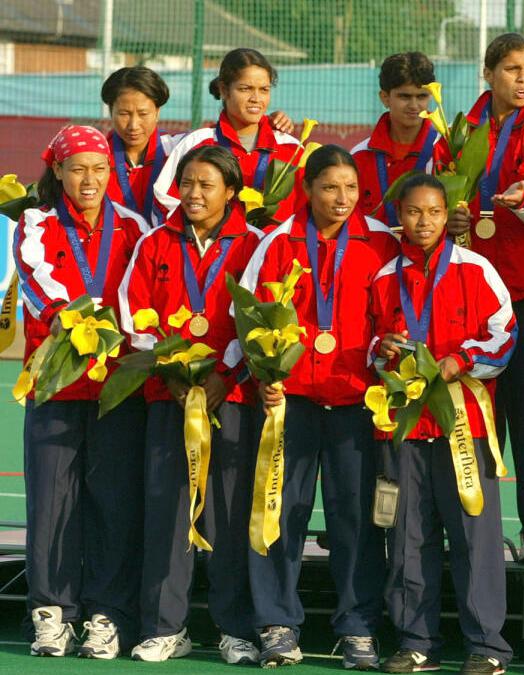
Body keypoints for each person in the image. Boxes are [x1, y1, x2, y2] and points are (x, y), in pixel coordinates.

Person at [238, 145, 399, 669]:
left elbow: (394, 316)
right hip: (293, 401)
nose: (342, 198)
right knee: (280, 513)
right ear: (307, 189)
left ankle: (358, 628)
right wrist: (267, 373)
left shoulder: (379, 242)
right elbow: (251, 316)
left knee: (356, 518)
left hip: (357, 402)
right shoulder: (278, 241)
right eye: (330, 187)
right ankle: (276, 623)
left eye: (351, 188)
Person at [117, 145, 264, 664]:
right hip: (169, 398)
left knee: (227, 512)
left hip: (231, 399)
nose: (195, 194)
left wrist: (226, 377)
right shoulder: (156, 242)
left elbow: (262, 322)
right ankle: (164, 627)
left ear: (231, 190)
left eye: (207, 185)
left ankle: (235, 628)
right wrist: (169, 369)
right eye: (187, 183)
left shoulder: (254, 244)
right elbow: (134, 312)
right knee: (167, 511)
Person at [369, 173, 516, 675]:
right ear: (401, 217)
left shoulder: (478, 269)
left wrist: (461, 359)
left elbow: (504, 336)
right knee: (408, 535)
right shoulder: (384, 277)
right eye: (414, 212)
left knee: (475, 534)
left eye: (434, 212)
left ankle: (487, 646)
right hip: (405, 426)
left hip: (462, 425)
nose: (424, 221)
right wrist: (381, 352)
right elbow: (370, 344)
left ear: (447, 213)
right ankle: (416, 641)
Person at [15, 125, 152, 658]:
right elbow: (37, 280)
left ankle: (106, 613)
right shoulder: (35, 222)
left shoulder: (136, 227)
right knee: (51, 504)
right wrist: (75, 319)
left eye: (99, 168)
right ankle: (51, 613)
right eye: (78, 169)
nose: (89, 179)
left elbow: (141, 292)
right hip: (57, 381)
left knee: (113, 502)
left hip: (117, 387)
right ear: (58, 171)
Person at [449, 32, 524, 563]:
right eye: (511, 70)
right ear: (488, 73)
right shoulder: (461, 127)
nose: (522, 81)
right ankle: (479, 526)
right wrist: (451, 211)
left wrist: (521, 197)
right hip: (472, 290)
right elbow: (443, 185)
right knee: (478, 413)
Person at [155, 48, 303, 227]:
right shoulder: (198, 144)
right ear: (224, 90)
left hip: (273, 253)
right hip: (212, 253)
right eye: (245, 89)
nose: (256, 98)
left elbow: (306, 212)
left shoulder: (291, 149)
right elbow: (164, 202)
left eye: (264, 90)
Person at [351, 52, 451, 230]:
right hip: (377, 254)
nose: (414, 105)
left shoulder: (446, 150)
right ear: (385, 98)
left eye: (421, 96)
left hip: (431, 255)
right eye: (404, 96)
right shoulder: (360, 156)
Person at [101, 66, 180, 225]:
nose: (133, 125)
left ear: (157, 112)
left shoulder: (175, 153)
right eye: (124, 114)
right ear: (111, 111)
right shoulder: (96, 157)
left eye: (143, 114)